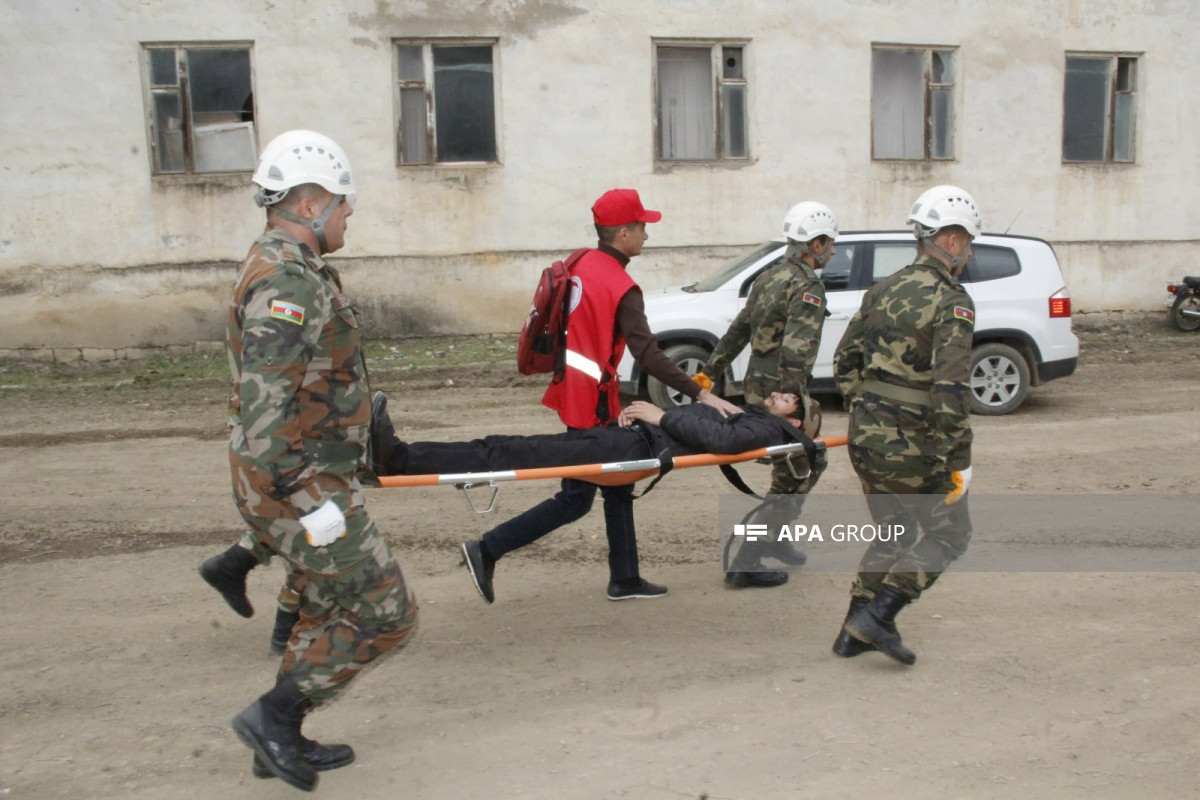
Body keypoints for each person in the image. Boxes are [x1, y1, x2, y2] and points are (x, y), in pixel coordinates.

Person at [199, 130, 418, 790]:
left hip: (301, 480)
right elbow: (268, 397)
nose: (350, 213)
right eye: (345, 202)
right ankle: (273, 717)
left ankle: (280, 738)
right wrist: (303, 497)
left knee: (322, 604)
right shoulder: (288, 281)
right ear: (312, 200)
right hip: (302, 488)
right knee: (389, 609)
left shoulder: (286, 265)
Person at [457, 189, 742, 605]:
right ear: (623, 233)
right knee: (576, 498)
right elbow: (648, 354)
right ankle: (487, 549)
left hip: (577, 392)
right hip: (593, 403)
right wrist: (700, 394)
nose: (647, 234)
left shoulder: (581, 262)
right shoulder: (622, 286)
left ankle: (625, 578)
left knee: (618, 482)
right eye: (642, 227)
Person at [831, 185, 979, 666]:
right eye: (969, 243)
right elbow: (951, 388)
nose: (968, 253)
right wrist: (959, 459)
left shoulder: (883, 288)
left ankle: (852, 632)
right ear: (952, 241)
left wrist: (868, 409)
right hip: (912, 447)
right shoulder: (952, 299)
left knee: (893, 531)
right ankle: (879, 615)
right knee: (950, 534)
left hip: (865, 438)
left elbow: (843, 361)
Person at [694, 201, 839, 589]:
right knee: (796, 473)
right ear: (817, 243)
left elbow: (738, 330)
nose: (835, 251)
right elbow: (797, 347)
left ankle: (775, 538)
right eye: (832, 243)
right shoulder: (806, 284)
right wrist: (791, 402)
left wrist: (709, 372)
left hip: (759, 386)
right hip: (782, 390)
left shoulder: (769, 277)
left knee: (795, 466)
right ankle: (748, 559)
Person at [369, 390, 817, 477]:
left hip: (636, 444)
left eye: (790, 398)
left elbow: (725, 442)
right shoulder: (754, 418)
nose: (779, 393)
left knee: (507, 452)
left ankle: (400, 457)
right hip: (632, 437)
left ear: (795, 422)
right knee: (509, 449)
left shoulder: (769, 427)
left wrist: (660, 417)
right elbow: (715, 431)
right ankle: (399, 455)